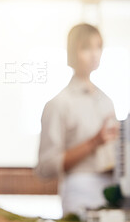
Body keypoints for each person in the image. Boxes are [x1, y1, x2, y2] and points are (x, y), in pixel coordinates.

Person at [36, 23, 119, 219]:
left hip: (112, 191)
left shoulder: (107, 101)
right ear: (72, 52)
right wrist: (94, 142)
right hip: (79, 190)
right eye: (86, 47)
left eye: (98, 47)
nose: (94, 54)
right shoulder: (58, 104)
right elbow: (45, 167)